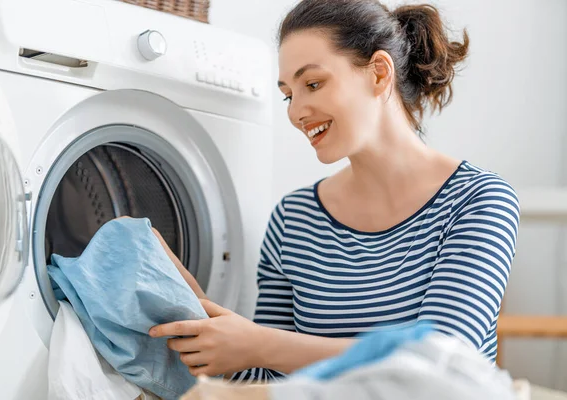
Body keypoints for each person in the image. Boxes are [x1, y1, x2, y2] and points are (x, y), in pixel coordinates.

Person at [148, 0, 520, 383]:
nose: (295, 112)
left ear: (378, 73)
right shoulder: (294, 218)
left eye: (312, 84)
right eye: (288, 94)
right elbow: (270, 381)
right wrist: (196, 313)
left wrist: (257, 343)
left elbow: (440, 363)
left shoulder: (479, 200)